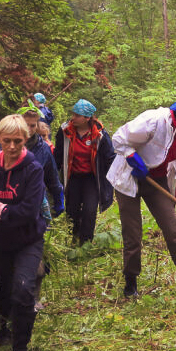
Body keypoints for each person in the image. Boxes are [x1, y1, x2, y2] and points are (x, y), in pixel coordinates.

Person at [106, 92, 176, 297]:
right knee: (133, 235)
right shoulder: (155, 120)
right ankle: (131, 284)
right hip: (129, 177)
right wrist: (132, 158)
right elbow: (119, 138)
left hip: (157, 181)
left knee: (174, 231)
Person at [0, 114, 48, 351]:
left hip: (28, 238)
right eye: (6, 141)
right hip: (0, 238)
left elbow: (28, 212)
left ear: (26, 140)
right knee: (2, 289)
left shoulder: (33, 169)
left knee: (22, 290)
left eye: (18, 142)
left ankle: (20, 350)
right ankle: (3, 325)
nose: (11, 147)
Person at [53, 99, 116, 246]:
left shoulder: (100, 135)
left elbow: (110, 157)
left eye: (77, 115)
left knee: (89, 209)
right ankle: (73, 236)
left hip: (92, 178)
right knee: (72, 209)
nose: (73, 118)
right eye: (73, 114)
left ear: (87, 118)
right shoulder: (65, 132)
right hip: (72, 176)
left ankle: (86, 242)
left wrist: (116, 176)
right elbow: (57, 154)